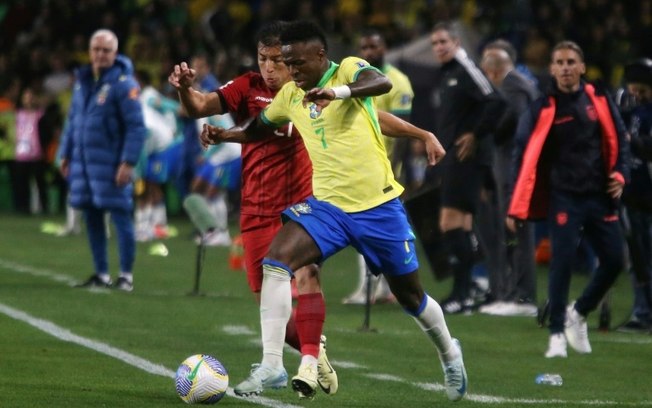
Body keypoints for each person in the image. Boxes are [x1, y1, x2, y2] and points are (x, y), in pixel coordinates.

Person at [201, 20, 467, 402]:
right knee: (275, 263)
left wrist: (338, 92)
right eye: (286, 64)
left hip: (378, 208)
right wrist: (226, 134)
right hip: (327, 209)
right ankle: (273, 364)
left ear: (320, 56)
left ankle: (449, 352)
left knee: (411, 297)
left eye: (298, 64)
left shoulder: (348, 70)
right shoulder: (291, 94)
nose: (292, 72)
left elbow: (381, 84)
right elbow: (261, 127)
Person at [168, 21, 337, 398]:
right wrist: (183, 89)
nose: (270, 68)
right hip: (256, 208)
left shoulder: (309, 87)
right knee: (270, 308)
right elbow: (198, 106)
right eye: (263, 59)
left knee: (308, 275)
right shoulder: (246, 87)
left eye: (278, 60)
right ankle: (315, 350)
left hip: (303, 204)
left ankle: (303, 364)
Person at [507, 41, 630, 358]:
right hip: (563, 197)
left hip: (599, 195)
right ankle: (557, 332)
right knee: (560, 262)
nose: (564, 68)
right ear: (551, 69)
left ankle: (579, 312)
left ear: (582, 67)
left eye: (570, 62)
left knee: (615, 260)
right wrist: (515, 201)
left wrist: (620, 174)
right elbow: (522, 154)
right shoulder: (542, 108)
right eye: (559, 62)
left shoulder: (598, 100)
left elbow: (620, 140)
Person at [59, 29, 146, 291]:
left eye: (106, 50)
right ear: (89, 52)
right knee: (92, 218)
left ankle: (126, 276)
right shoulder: (82, 82)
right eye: (96, 49)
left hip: (111, 164)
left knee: (121, 218)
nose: (100, 54)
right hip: (84, 164)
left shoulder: (124, 84)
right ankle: (101, 274)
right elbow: (73, 121)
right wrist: (65, 153)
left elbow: (136, 127)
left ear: (115, 53)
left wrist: (128, 162)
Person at [428, 22, 506, 314]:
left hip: (466, 160)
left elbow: (495, 102)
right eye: (434, 43)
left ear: (457, 42)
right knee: (460, 226)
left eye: (443, 41)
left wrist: (475, 134)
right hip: (454, 160)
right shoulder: (447, 74)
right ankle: (467, 292)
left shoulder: (466, 69)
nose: (439, 47)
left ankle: (463, 292)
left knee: (449, 224)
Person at [343, 27, 414, 305]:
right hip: (361, 166)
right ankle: (380, 289)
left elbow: (404, 133)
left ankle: (372, 290)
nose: (369, 53)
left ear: (384, 48)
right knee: (372, 230)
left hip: (385, 170)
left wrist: (397, 170)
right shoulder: (358, 80)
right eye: (365, 48)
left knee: (370, 229)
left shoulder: (398, 81)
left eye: (374, 47)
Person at [478, 39, 540, 317]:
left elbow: (512, 119)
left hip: (515, 166)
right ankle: (513, 291)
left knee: (518, 228)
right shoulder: (522, 83)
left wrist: (487, 133)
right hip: (514, 165)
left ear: (492, 72)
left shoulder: (513, 86)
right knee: (513, 228)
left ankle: (522, 296)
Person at [617, 58, 652, 333]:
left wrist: (634, 142)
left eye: (643, 89)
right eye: (634, 88)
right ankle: (642, 312)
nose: (637, 93)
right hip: (631, 193)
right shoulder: (625, 108)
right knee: (636, 257)